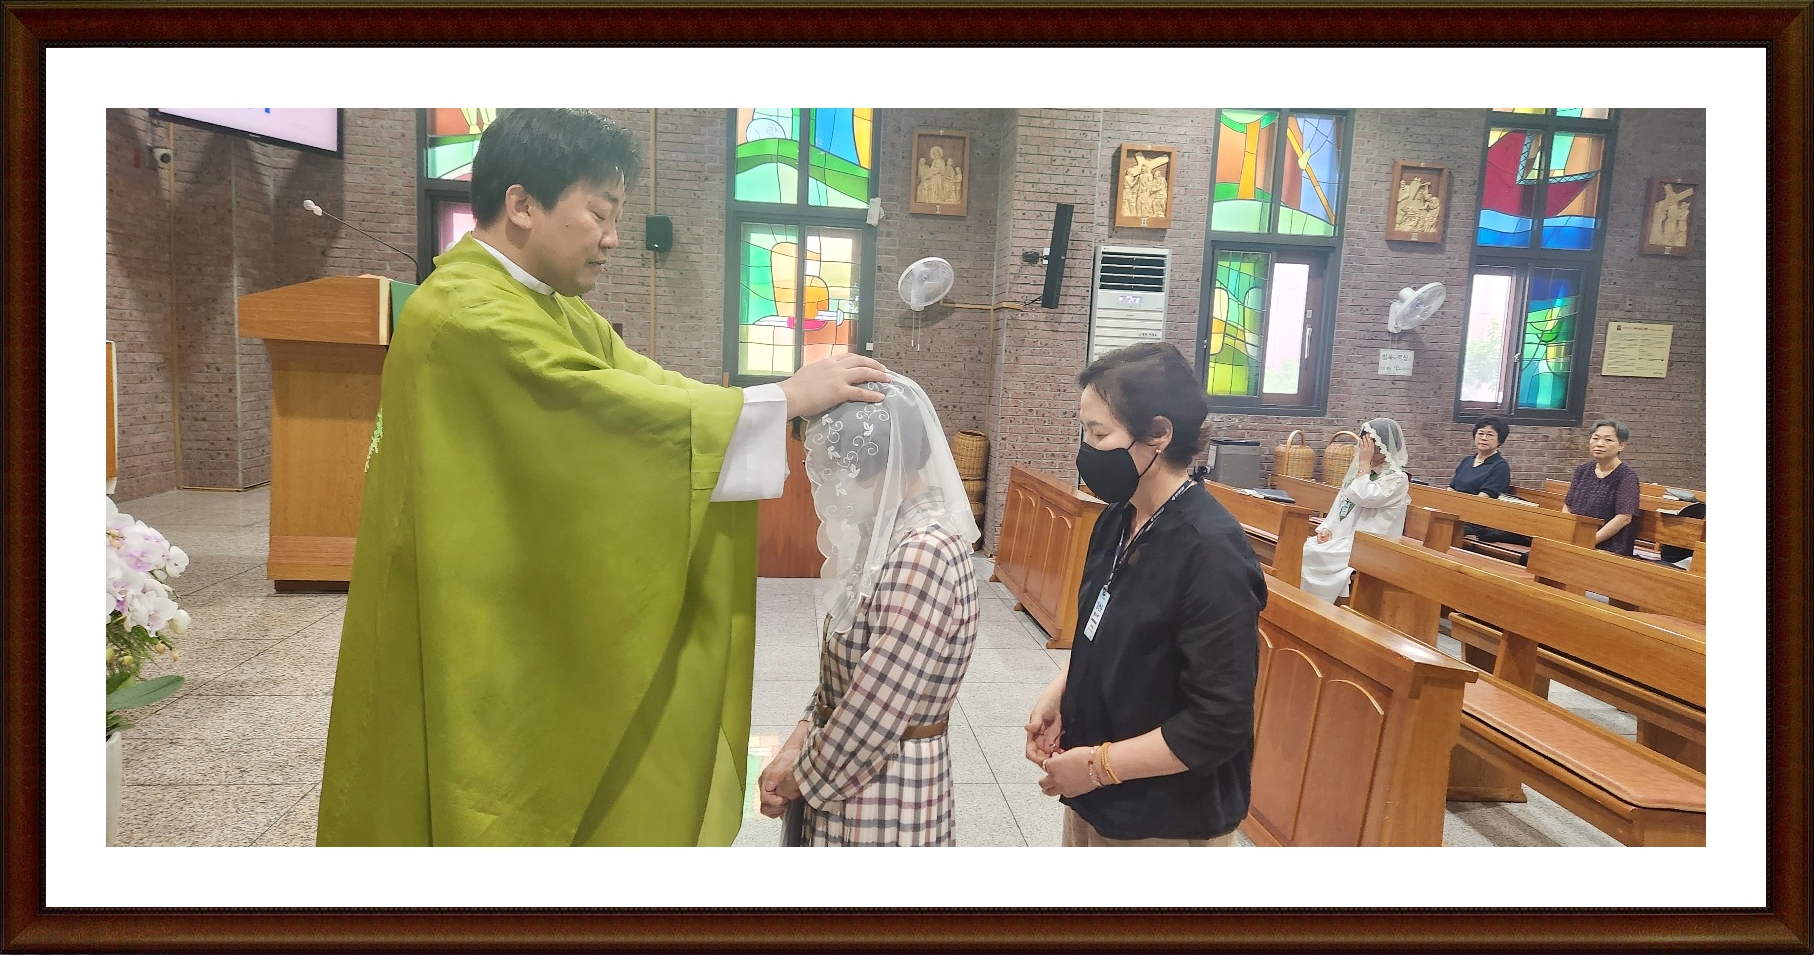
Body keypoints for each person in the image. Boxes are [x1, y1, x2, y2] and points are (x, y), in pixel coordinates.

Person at [317, 109, 889, 847]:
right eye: (599, 212)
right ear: (522, 204)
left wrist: (775, 396)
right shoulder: (466, 315)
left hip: (515, 589)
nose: (614, 237)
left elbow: (650, 391)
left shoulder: (546, 305)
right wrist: (782, 400)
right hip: (469, 611)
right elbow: (615, 419)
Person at [1023, 342, 1267, 847]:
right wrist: (1061, 691)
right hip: (1098, 794)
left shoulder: (1210, 551)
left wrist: (1098, 767)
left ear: (1159, 433)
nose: (1088, 449)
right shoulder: (1119, 518)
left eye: (1099, 434)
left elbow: (1217, 722)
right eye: (1085, 432)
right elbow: (1104, 632)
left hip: (1165, 818)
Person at [754, 374, 982, 846]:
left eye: (835, 467)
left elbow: (876, 705)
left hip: (885, 784)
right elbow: (845, 674)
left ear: (874, 462)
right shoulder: (884, 533)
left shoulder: (923, 550)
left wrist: (799, 777)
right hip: (849, 764)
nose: (829, 483)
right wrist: (798, 739)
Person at [1298, 418, 1411, 603]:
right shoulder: (1361, 473)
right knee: (1305, 548)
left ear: (1385, 445)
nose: (1367, 449)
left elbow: (1364, 496)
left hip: (1371, 543)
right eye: (1364, 442)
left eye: (1372, 443)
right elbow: (1341, 502)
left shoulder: (1397, 478)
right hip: (1345, 537)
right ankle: (1306, 604)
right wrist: (1328, 528)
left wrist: (1364, 464)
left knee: (1317, 556)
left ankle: (1321, 607)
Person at [1563, 419, 1641, 557]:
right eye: (1595, 438)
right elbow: (1568, 506)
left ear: (1621, 445)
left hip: (1609, 547)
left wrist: (1588, 541)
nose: (1599, 444)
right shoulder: (1583, 470)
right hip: (1577, 541)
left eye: (1608, 440)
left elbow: (1624, 518)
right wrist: (1567, 534)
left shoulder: (1627, 476)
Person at [1448, 416, 1526, 545]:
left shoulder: (1499, 467)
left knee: (1443, 528)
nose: (1484, 438)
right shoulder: (1467, 461)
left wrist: (1456, 508)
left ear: (1500, 440)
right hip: (1455, 514)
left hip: (1476, 523)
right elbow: (1451, 490)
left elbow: (1482, 500)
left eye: (1490, 435)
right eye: (1480, 433)